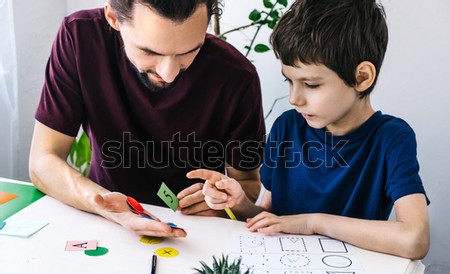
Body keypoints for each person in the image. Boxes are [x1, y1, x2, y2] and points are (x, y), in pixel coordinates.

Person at [188, 0, 430, 259]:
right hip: (284, 266)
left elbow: (414, 240)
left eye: (311, 84)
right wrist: (239, 204)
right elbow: (269, 218)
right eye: (289, 81)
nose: (294, 98)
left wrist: (312, 223)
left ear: (361, 77)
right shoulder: (287, 126)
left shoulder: (392, 139)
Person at [29, 0, 265, 238]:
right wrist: (104, 204)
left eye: (190, 50)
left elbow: (248, 182)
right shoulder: (79, 37)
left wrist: (226, 202)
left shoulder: (236, 76)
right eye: (149, 51)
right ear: (112, 17)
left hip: (197, 233)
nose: (168, 73)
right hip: (103, 223)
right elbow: (43, 161)